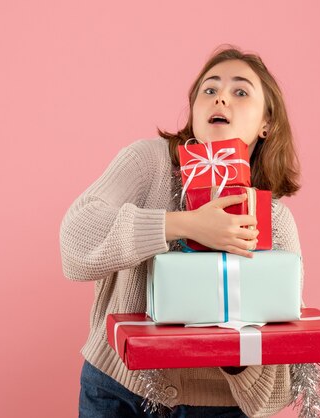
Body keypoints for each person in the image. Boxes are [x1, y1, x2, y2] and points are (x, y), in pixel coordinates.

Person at [60, 45, 303, 417]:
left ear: (266, 123)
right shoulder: (148, 162)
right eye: (209, 89)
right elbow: (74, 244)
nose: (221, 96)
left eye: (241, 91)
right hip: (118, 388)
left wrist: (234, 350)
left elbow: (273, 392)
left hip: (219, 407)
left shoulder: (274, 219)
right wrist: (182, 225)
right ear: (194, 110)